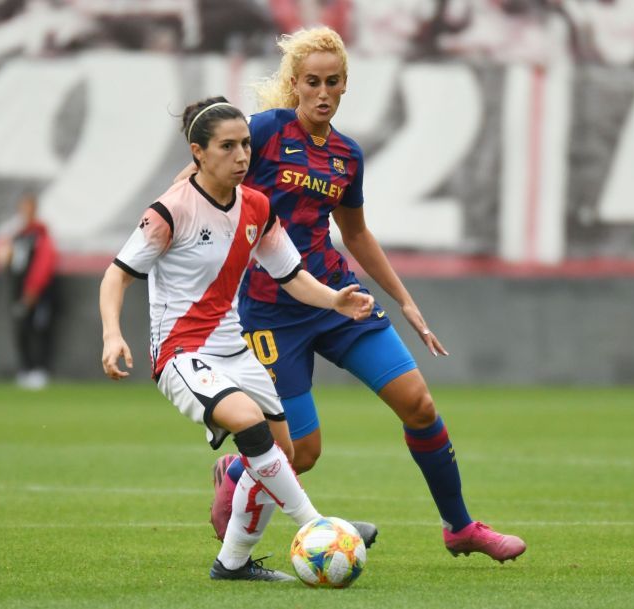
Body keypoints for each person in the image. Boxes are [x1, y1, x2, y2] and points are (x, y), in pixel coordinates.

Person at [192, 27, 526, 563]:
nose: (322, 92)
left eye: (333, 82)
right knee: (299, 454)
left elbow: (357, 233)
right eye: (311, 82)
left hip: (336, 299)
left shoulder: (346, 155)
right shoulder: (268, 131)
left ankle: (460, 527)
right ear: (294, 84)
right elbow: (207, 172)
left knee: (418, 404)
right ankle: (235, 468)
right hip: (271, 314)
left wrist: (405, 301)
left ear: (345, 85)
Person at [99, 96, 376, 581]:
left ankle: (232, 564)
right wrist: (111, 335)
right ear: (198, 152)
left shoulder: (257, 205)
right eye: (228, 146)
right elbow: (115, 276)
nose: (242, 156)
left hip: (235, 348)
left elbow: (291, 275)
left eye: (246, 144)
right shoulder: (169, 210)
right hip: (182, 353)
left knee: (282, 455)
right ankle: (318, 526)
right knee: (250, 425)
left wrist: (335, 300)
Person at [0, 193, 57, 390]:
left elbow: (45, 262)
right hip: (19, 289)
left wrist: (34, 289)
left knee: (40, 329)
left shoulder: (40, 235)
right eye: (23, 208)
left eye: (29, 208)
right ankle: (26, 369)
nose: (26, 212)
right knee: (22, 329)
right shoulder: (16, 235)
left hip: (39, 293)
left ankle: (39, 370)